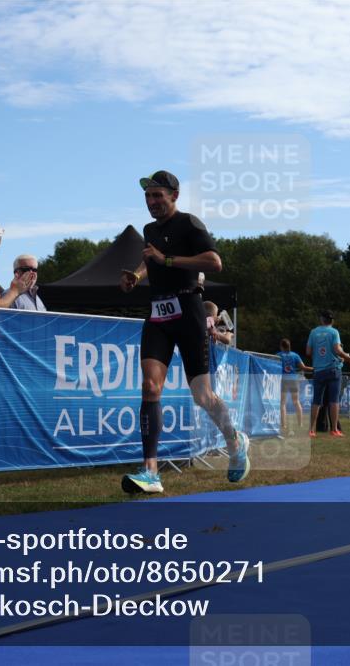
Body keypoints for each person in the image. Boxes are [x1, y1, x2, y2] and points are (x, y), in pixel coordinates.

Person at [119, 170, 250, 493]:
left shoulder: (189, 223)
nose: (151, 202)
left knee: (203, 396)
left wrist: (167, 260)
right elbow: (150, 259)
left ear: (174, 196)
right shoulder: (150, 230)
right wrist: (137, 275)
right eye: (147, 196)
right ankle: (151, 472)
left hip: (189, 311)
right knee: (150, 387)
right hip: (158, 314)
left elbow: (214, 262)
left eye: (158, 196)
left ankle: (234, 441)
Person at [306, 310, 350, 438]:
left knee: (316, 401)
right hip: (333, 369)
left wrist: (318, 357)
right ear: (332, 321)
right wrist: (348, 358)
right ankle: (334, 429)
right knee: (334, 400)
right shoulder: (334, 332)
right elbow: (337, 349)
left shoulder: (313, 332)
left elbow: (308, 352)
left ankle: (311, 430)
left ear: (321, 319)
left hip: (318, 370)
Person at [277, 338, 312, 437]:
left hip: (283, 380)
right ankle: (300, 424)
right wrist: (315, 369)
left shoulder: (278, 355)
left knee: (282, 403)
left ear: (281, 346)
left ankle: (284, 425)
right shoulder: (295, 355)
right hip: (293, 379)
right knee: (296, 402)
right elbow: (303, 367)